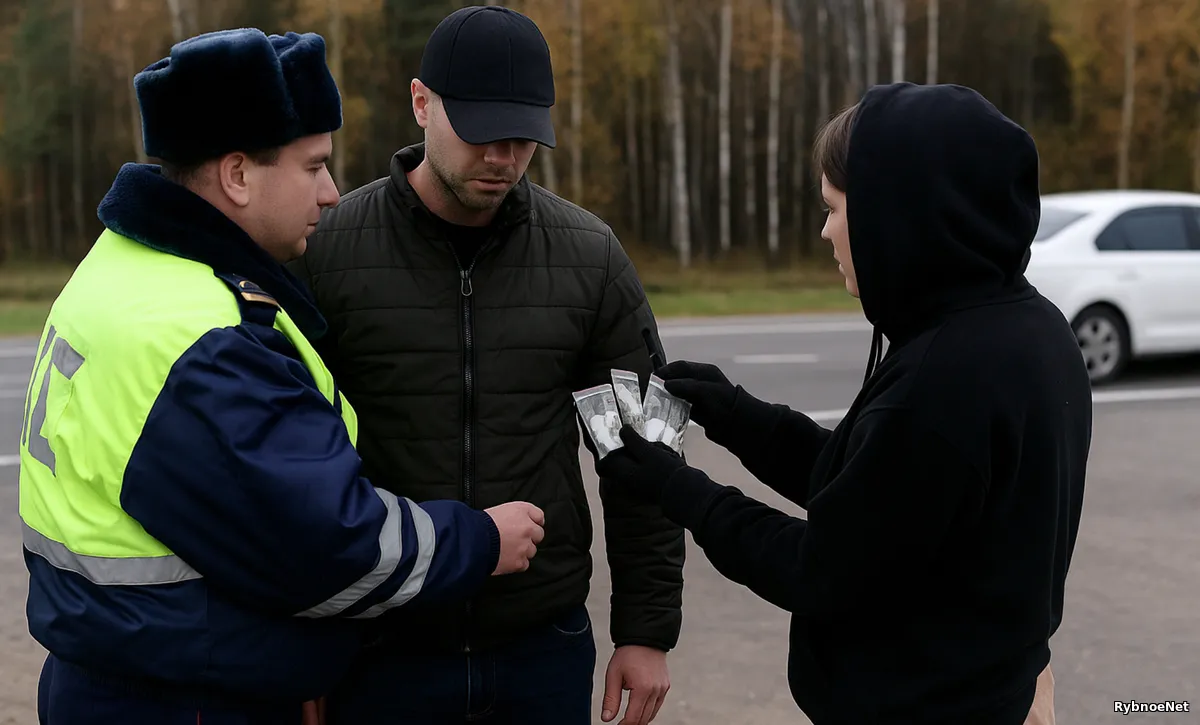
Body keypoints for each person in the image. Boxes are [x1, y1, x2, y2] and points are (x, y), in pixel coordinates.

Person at [19, 27, 545, 725]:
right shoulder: (209, 339)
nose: (331, 193)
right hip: (188, 699)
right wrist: (479, 540)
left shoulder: (121, 265)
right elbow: (331, 547)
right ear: (237, 175)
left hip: (114, 671)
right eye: (312, 166)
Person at [593, 82, 1091, 724]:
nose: (825, 230)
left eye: (833, 207)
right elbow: (884, 500)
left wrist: (680, 489)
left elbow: (823, 569)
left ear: (895, 214)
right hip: (995, 688)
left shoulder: (944, 379)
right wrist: (739, 417)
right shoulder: (1026, 325)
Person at [288, 6, 684, 724]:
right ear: (421, 103)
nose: (503, 156)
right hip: (379, 648)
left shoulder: (588, 256)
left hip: (542, 648)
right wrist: (297, 648)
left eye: (523, 135)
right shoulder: (330, 251)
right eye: (480, 131)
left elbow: (644, 451)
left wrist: (647, 629)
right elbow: (290, 466)